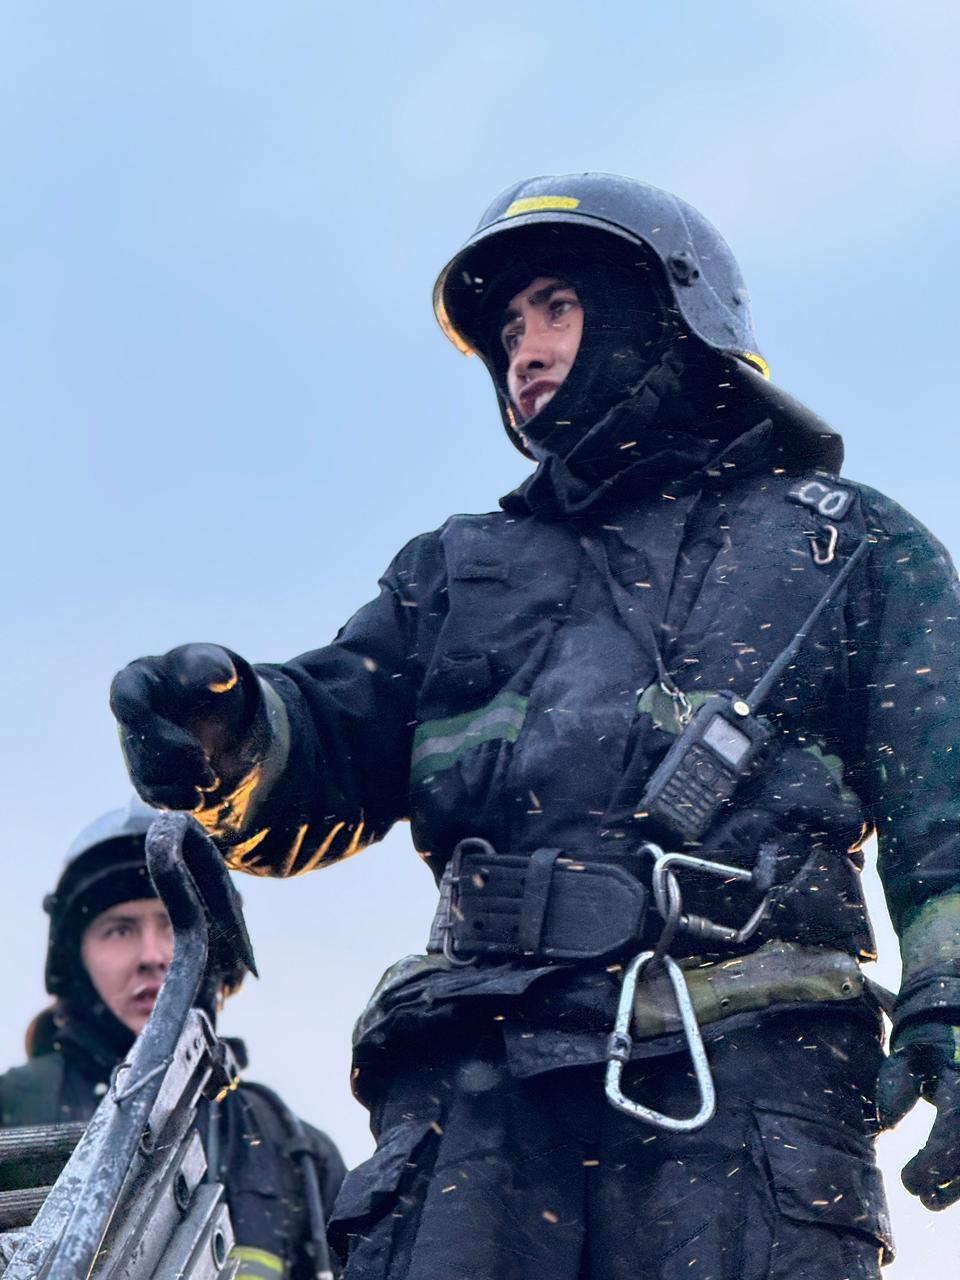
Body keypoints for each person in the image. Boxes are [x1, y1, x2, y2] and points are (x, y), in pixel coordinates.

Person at [108, 173, 959, 1279]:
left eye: (556, 307)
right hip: (476, 1101)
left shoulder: (844, 547)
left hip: (750, 1089)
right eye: (509, 330)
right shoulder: (459, 571)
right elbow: (321, 756)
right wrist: (228, 737)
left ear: (667, 312)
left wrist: (950, 1002)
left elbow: (945, 806)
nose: (525, 351)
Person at [0, 798, 346, 1280]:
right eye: (119, 930)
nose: (152, 955)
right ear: (77, 959)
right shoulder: (11, 1108)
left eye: (171, 922)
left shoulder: (291, 1149)